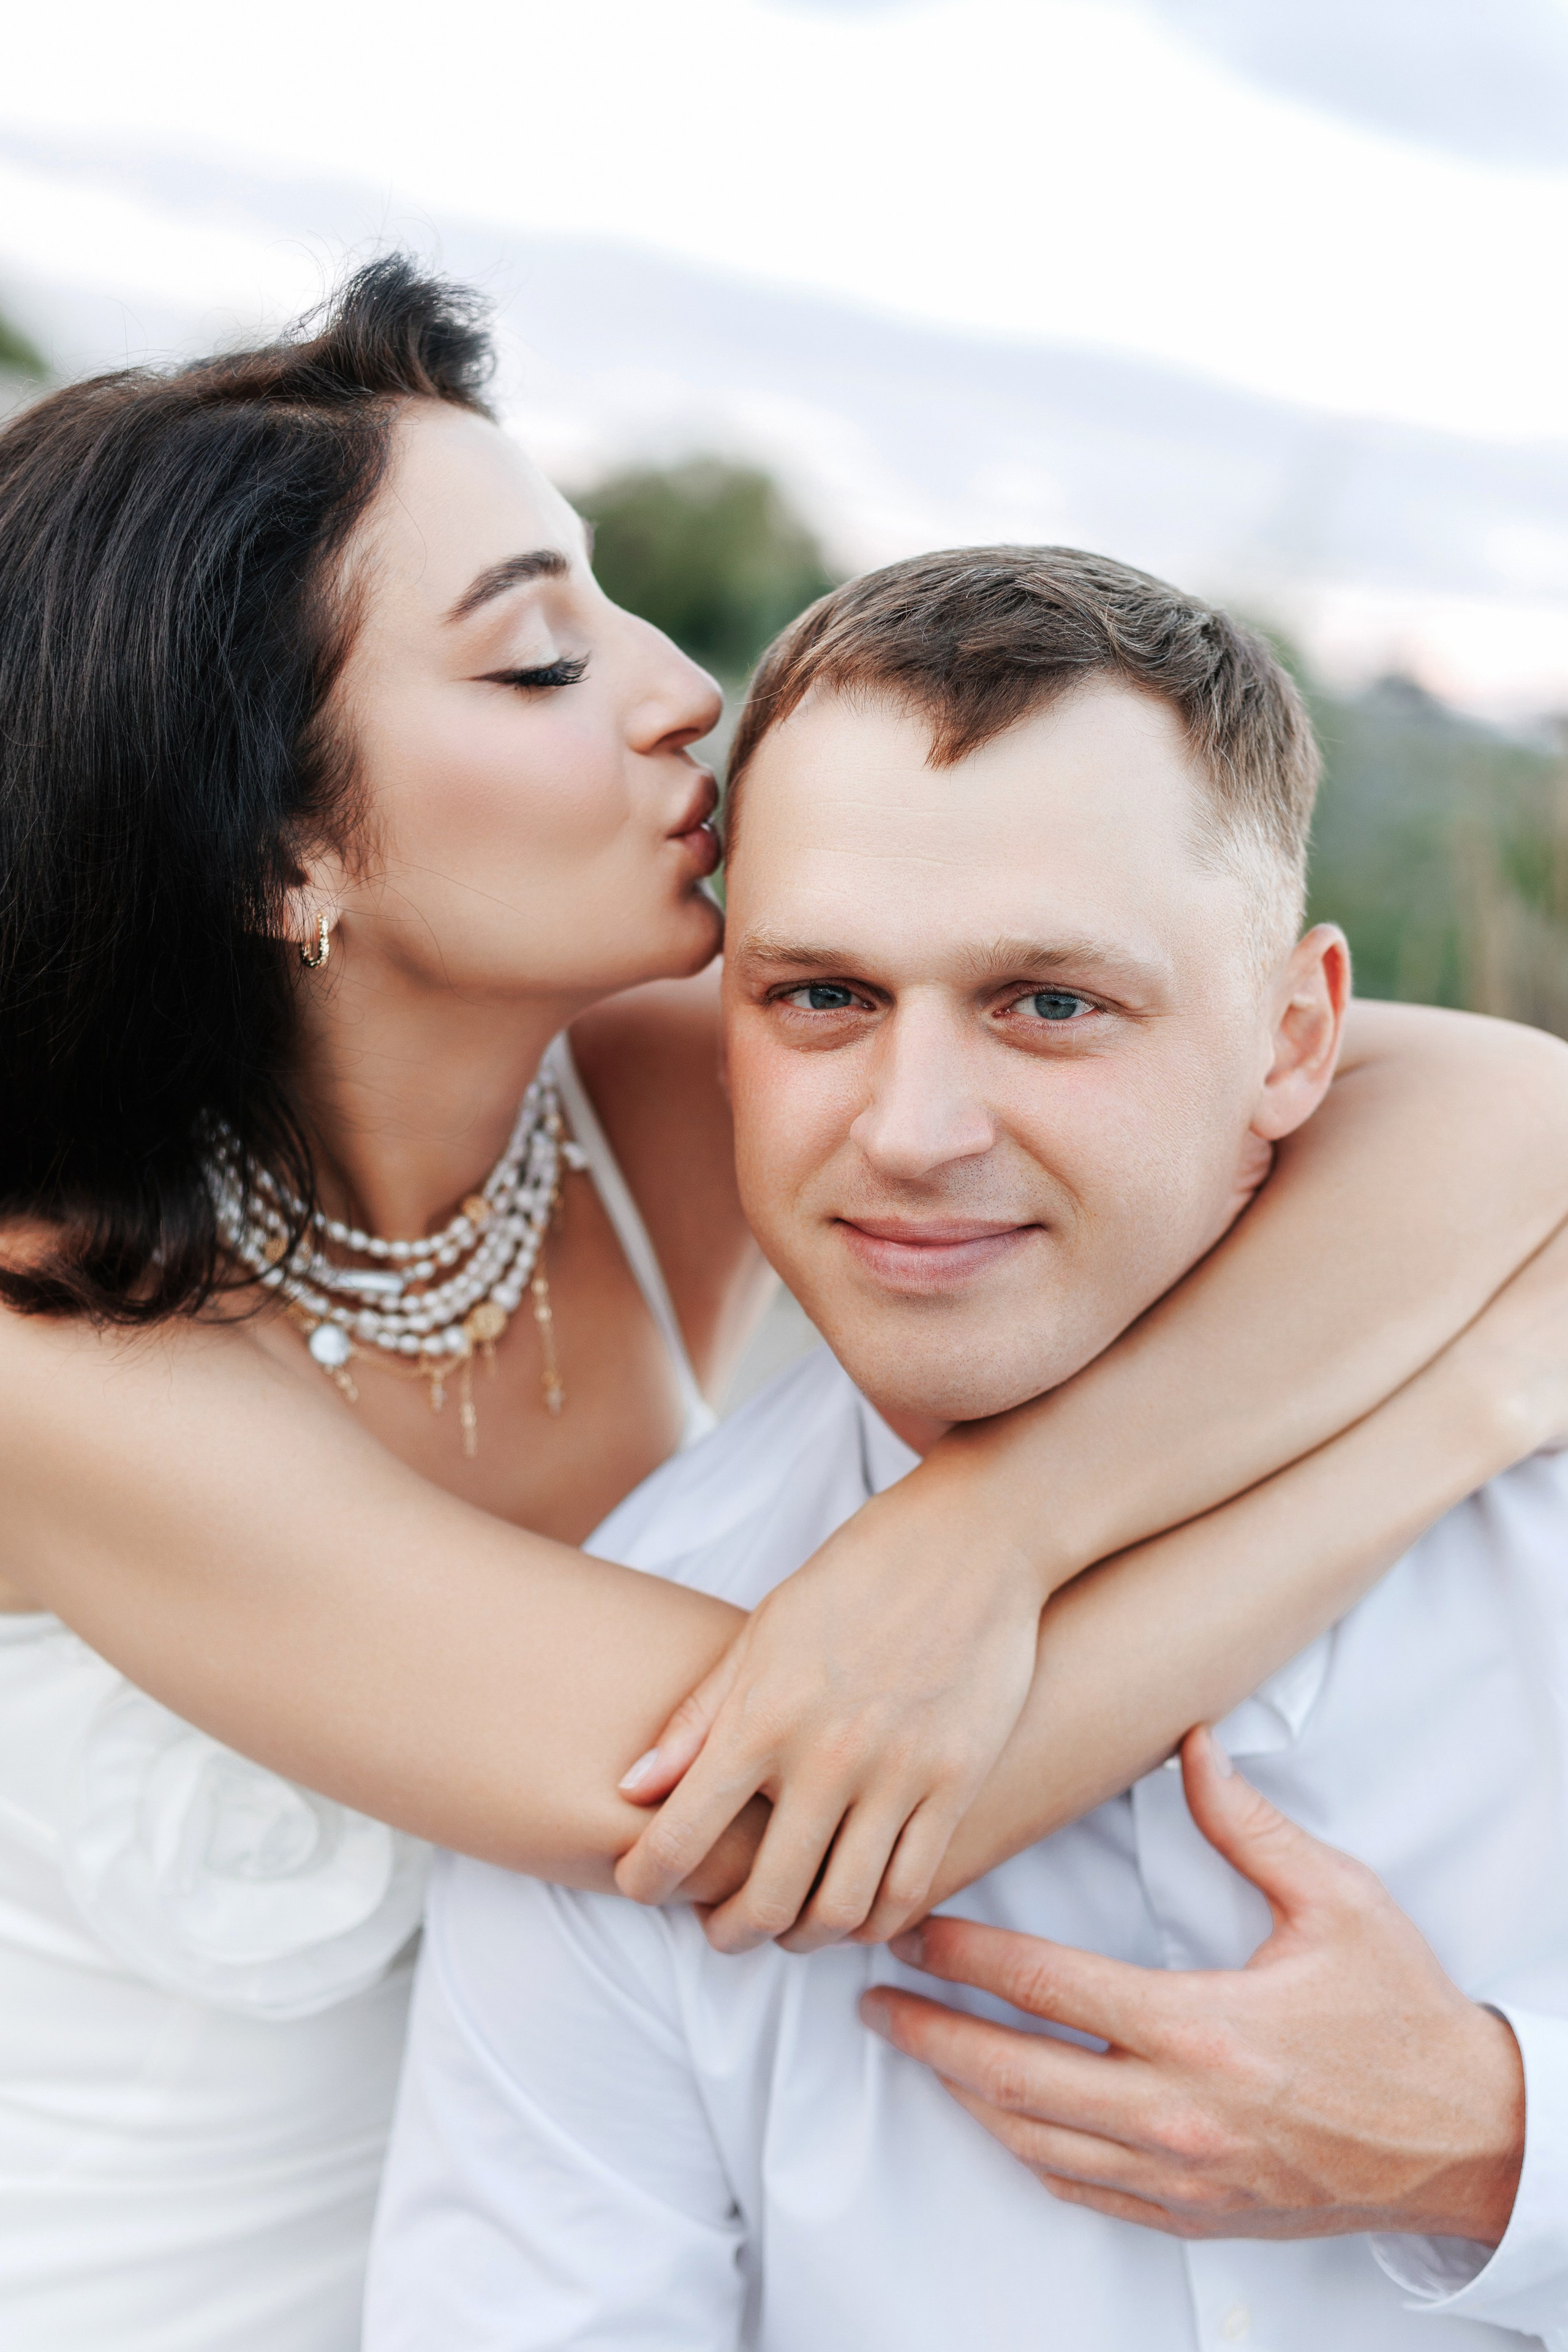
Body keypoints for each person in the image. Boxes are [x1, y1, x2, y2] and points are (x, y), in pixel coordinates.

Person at [1, 262, 1564, 2349]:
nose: (674, 690)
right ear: (286, 851)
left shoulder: (646, 1084)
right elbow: (785, 1806)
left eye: (616, 598)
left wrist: (999, 1525)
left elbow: (1501, 1107)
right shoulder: (55, 1352)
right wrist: (1445, 1430)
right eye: (543, 663)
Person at [367, 547, 1568, 2351]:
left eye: (1050, 1004)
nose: (915, 1132)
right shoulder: (627, 1721)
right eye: (824, 999)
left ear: (1299, 1035)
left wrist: (1495, 2146)